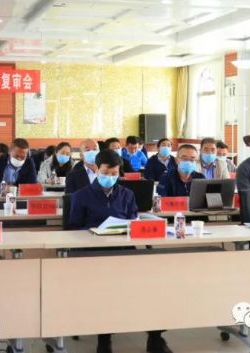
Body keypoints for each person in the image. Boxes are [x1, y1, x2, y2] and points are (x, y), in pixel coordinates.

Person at [68, 149, 171, 353]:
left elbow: (133, 221)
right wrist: (93, 232)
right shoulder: (81, 196)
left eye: (115, 173)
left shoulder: (126, 194)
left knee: (152, 285)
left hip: (124, 250)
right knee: (105, 292)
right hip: (94, 254)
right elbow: (72, 230)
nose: (110, 177)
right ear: (96, 169)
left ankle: (155, 337)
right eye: (106, 172)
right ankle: (104, 339)